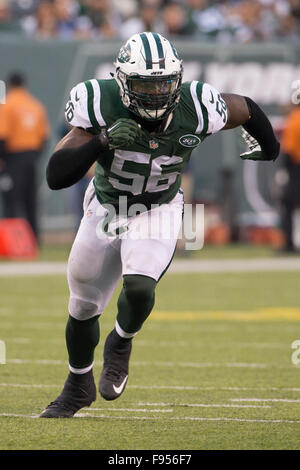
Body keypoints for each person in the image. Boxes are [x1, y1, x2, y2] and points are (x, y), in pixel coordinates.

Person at [40, 32, 280, 418]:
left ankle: (121, 341)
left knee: (138, 285)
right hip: (106, 207)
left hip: (158, 207)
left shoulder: (198, 105)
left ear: (178, 79)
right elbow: (55, 175)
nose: (155, 93)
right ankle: (77, 384)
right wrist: (101, 141)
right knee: (83, 306)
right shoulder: (99, 101)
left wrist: (270, 148)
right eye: (145, 85)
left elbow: (246, 108)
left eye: (164, 83)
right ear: (122, 81)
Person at [0, 72, 49, 241]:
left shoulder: (7, 104)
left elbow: (3, 137)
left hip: (12, 158)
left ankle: (13, 243)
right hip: (32, 158)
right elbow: (44, 138)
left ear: (10, 85)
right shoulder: (36, 105)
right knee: (31, 201)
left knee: (11, 201)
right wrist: (35, 157)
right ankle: (34, 241)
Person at [279, 105, 300, 252]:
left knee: (288, 206)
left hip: (296, 168)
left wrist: (284, 171)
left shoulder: (294, 119)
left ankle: (288, 244)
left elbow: (289, 149)